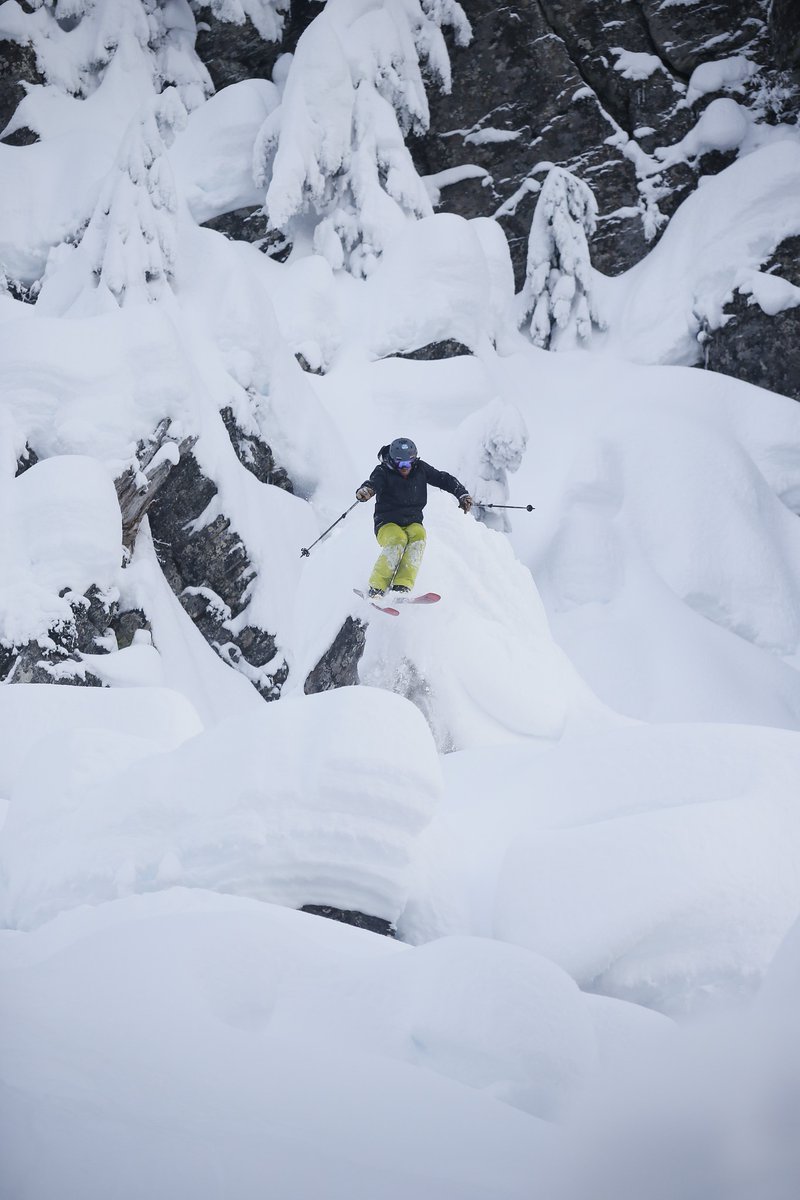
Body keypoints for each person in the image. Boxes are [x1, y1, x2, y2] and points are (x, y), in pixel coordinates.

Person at [356, 437, 473, 596]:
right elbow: (373, 483)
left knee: (419, 535)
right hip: (386, 523)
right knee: (398, 538)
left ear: (414, 460)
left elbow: (443, 478)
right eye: (400, 463)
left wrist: (461, 494)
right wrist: (367, 490)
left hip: (412, 521)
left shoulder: (420, 469)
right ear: (392, 460)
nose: (405, 467)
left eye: (408, 463)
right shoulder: (383, 471)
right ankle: (376, 587)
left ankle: (401, 586)